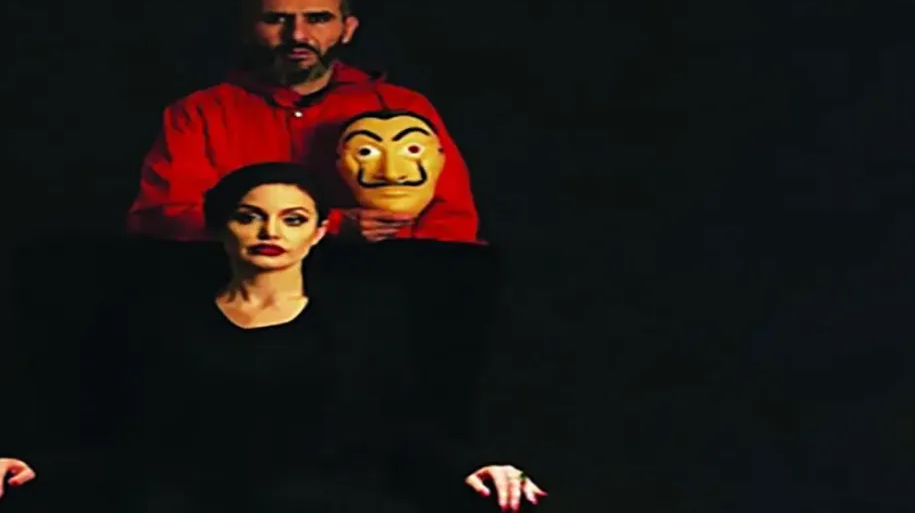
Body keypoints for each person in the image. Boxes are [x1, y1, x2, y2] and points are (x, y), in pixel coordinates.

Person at [2, 163, 542, 512]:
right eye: (250, 217)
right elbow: (125, 429)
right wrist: (35, 464)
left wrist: (475, 465)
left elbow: (401, 423)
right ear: (221, 228)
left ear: (318, 231)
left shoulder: (365, 319)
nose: (270, 232)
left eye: (292, 219)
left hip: (327, 500)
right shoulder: (162, 319)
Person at [126, 0, 480, 243]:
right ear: (248, 29)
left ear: (347, 29)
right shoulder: (199, 112)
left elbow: (452, 220)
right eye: (275, 19)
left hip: (381, 285)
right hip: (233, 287)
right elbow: (161, 217)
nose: (297, 35)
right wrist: (329, 226)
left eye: (317, 19)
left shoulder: (401, 105)